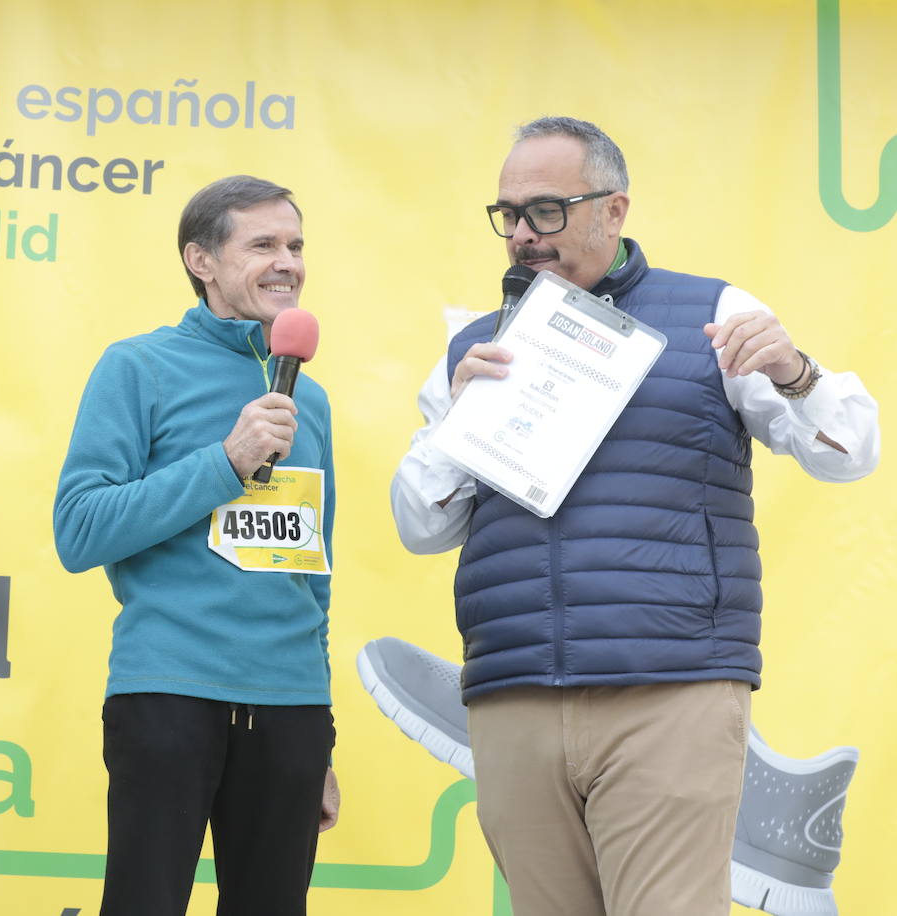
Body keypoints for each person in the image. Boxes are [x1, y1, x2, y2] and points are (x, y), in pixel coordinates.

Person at [390, 117, 879, 915]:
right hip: (514, 691)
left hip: (669, 686)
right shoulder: (473, 349)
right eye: (508, 214)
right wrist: (460, 418)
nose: (521, 234)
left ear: (613, 210)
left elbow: (850, 448)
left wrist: (794, 371)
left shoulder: (715, 313)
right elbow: (421, 526)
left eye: (546, 211)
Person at [54, 175, 339, 916]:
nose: (288, 263)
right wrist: (226, 461)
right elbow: (80, 529)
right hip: (169, 696)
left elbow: (314, 573)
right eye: (264, 244)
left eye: (296, 245)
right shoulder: (138, 367)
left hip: (290, 707)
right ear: (202, 260)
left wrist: (323, 734)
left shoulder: (309, 397)